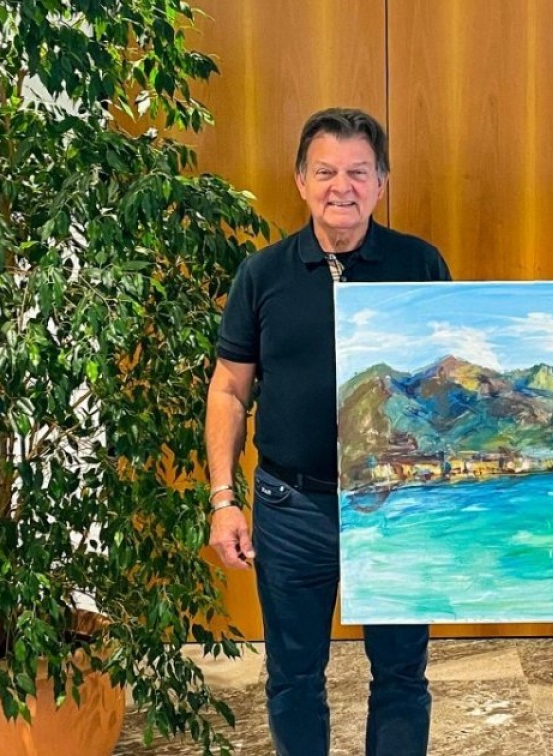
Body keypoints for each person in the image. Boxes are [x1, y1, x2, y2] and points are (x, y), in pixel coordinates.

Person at [204, 108, 451, 756]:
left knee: (401, 676)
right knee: (293, 678)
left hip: (395, 506)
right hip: (292, 506)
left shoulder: (420, 264)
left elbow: (444, 377)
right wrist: (224, 499)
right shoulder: (263, 274)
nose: (342, 187)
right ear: (300, 181)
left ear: (382, 182)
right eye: (326, 172)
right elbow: (228, 389)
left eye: (359, 173)